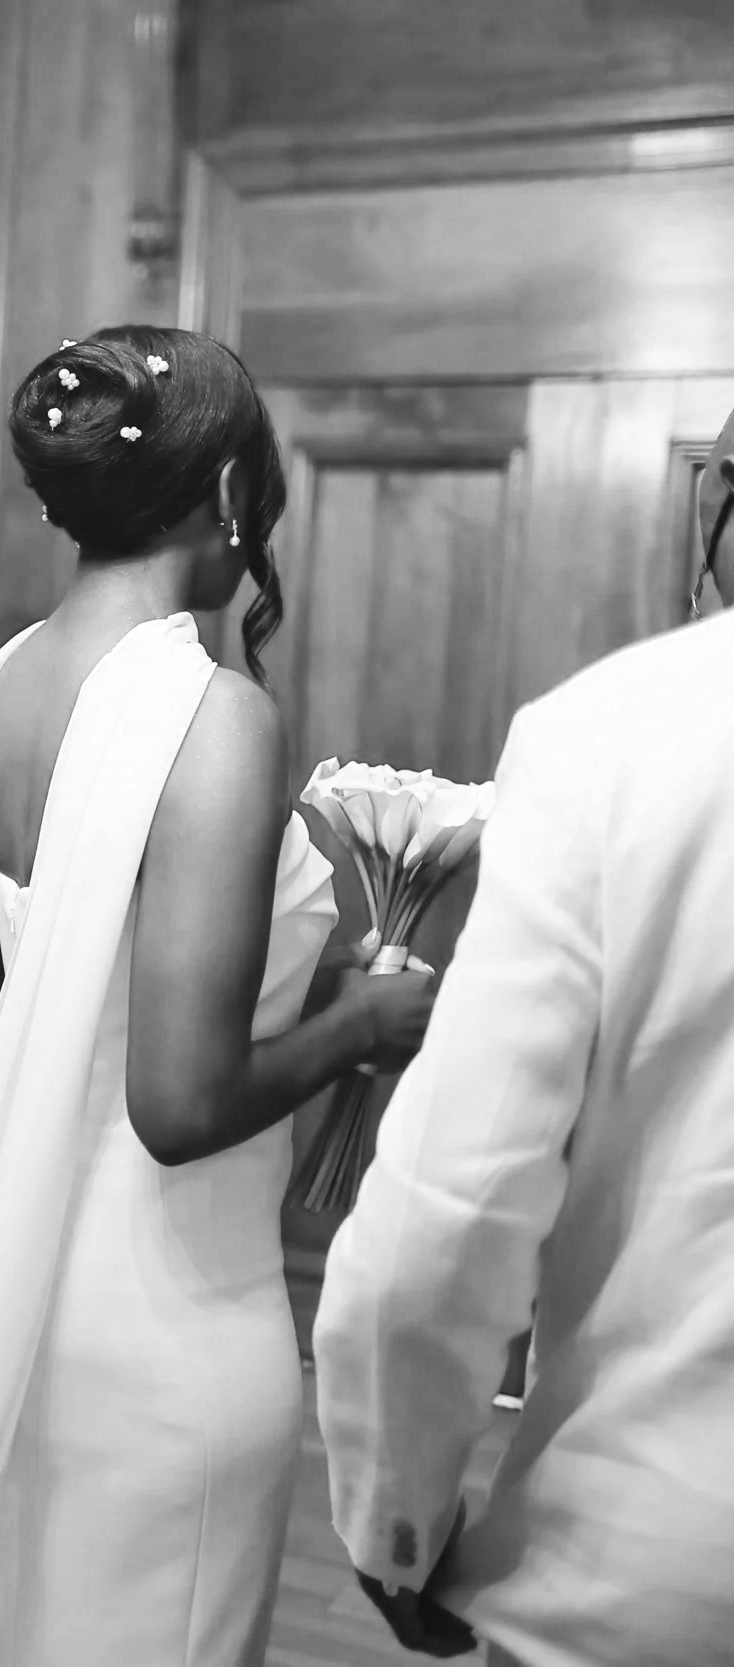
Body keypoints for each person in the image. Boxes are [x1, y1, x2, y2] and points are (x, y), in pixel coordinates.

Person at [0, 325, 436, 1665]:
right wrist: (357, 1023)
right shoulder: (210, 715)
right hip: (175, 1318)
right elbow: (181, 1099)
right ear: (222, 496)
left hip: (29, 1301)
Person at [314, 410, 734, 1667]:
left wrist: (396, 1520)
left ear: (718, 504)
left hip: (656, 1558)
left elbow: (448, 1213)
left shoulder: (619, 737)